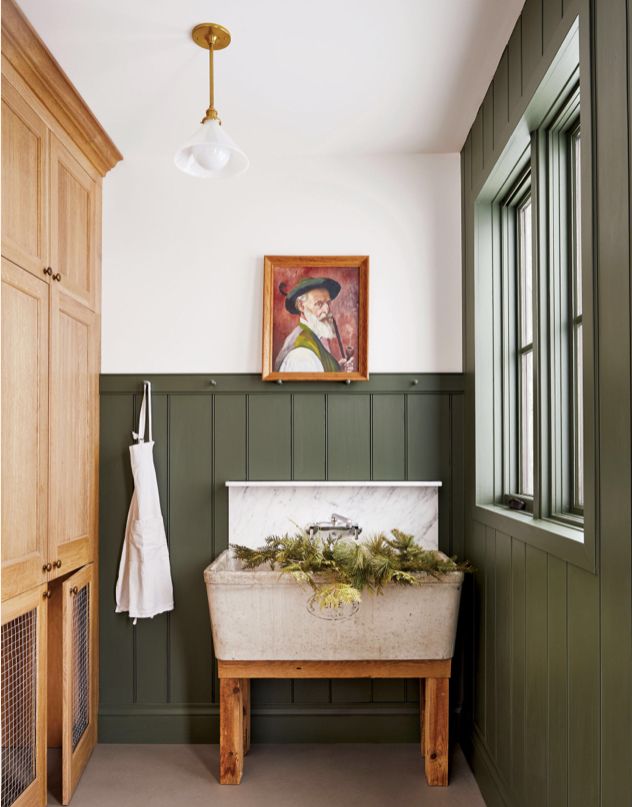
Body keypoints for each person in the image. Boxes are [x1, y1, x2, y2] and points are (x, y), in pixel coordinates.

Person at [274, 277, 355, 373]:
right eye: (319, 303)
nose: (327, 310)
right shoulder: (301, 356)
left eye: (328, 303)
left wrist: (337, 369)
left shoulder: (315, 337)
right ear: (301, 306)